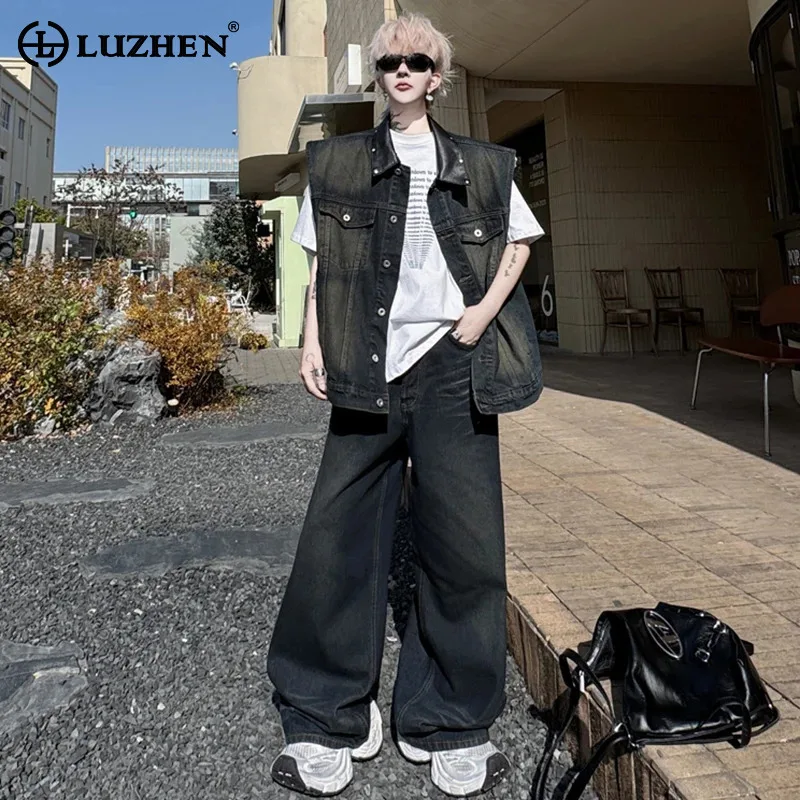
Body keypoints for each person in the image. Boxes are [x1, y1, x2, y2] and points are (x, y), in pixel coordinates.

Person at [267, 11, 545, 798]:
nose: (403, 71)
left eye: (418, 62)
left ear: (437, 77)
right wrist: (312, 341)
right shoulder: (340, 162)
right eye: (392, 60)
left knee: (463, 542)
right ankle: (327, 712)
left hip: (454, 366)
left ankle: (448, 718)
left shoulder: (482, 163)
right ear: (378, 73)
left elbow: (520, 242)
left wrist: (480, 314)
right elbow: (322, 262)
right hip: (366, 361)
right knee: (338, 533)